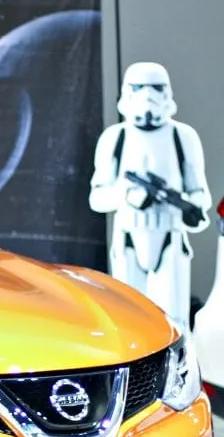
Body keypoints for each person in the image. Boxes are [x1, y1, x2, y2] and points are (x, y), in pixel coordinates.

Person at [89, 62, 212, 332]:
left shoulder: (183, 136)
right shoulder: (115, 137)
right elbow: (97, 198)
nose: (148, 95)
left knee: (174, 321)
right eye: (139, 87)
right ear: (127, 91)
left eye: (156, 87)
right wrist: (127, 195)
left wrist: (181, 203)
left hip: (170, 236)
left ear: (166, 92)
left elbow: (200, 194)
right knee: (129, 318)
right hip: (129, 238)